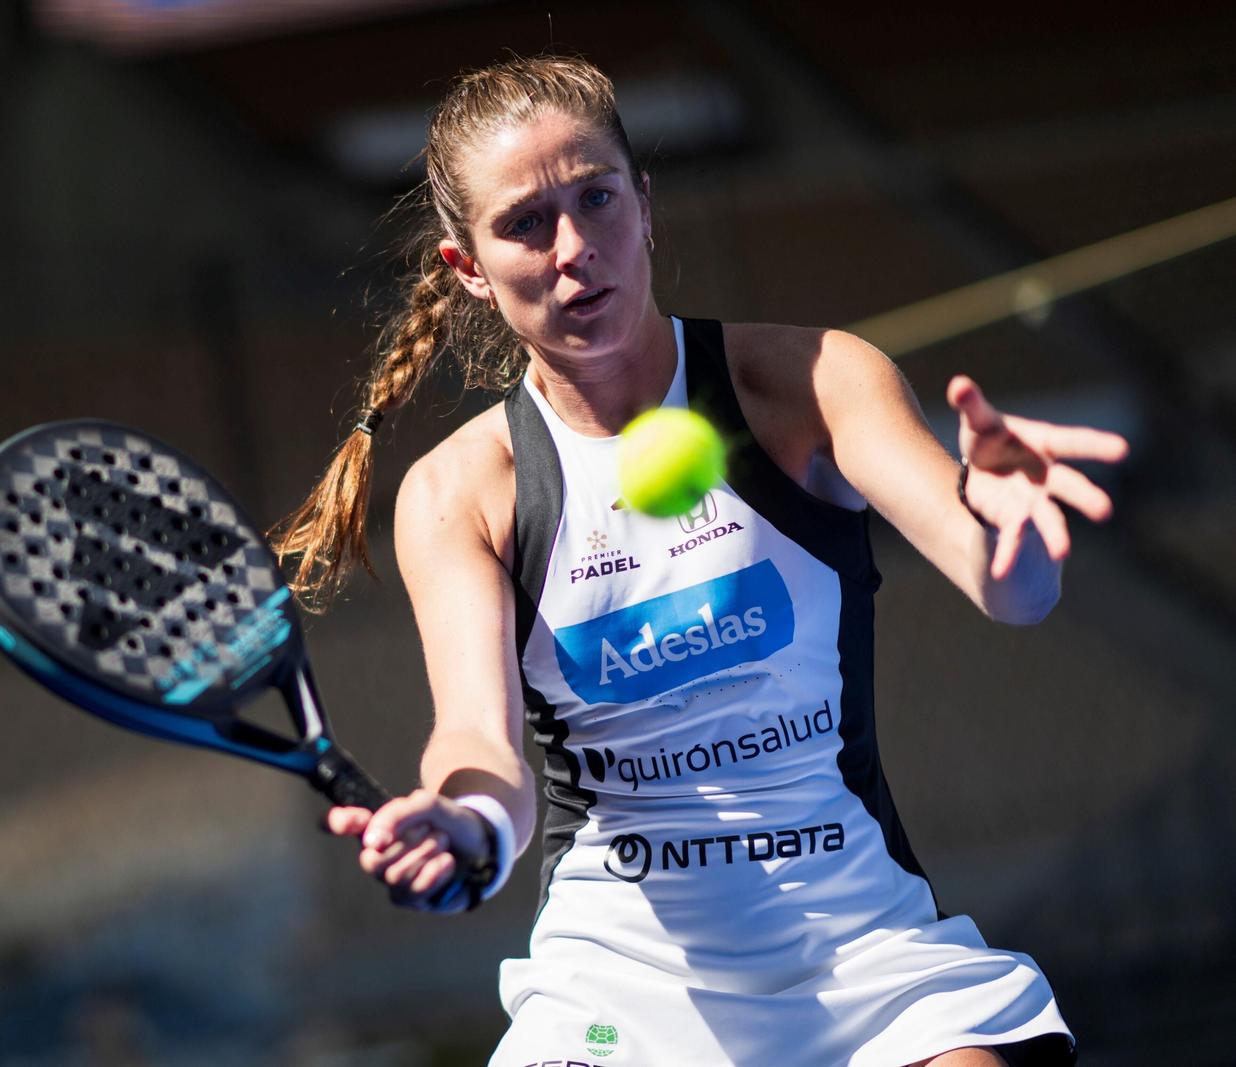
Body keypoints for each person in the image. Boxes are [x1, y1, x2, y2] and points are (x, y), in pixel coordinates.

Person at [274, 56, 1128, 1067]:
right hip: (617, 997)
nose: (573, 248)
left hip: (868, 962)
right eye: (525, 223)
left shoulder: (811, 380)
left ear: (644, 203)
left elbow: (1013, 590)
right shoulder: (459, 490)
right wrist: (465, 824)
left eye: (596, 197)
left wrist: (1001, 519)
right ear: (468, 266)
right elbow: (478, 743)